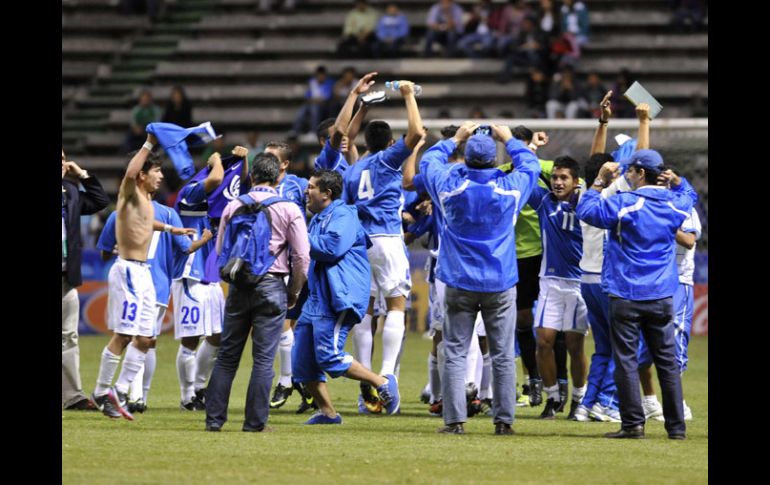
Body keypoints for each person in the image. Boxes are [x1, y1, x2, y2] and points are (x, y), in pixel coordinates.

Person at [418, 121, 541, 435]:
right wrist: (510, 139)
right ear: (494, 160)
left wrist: (454, 140)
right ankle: (504, 421)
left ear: (466, 156)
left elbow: (428, 162)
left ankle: (455, 421)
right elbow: (530, 164)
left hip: (458, 280)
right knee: (501, 354)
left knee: (455, 351)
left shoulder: (449, 186)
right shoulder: (509, 188)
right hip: (499, 281)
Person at [576, 141, 698, 440]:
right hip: (662, 295)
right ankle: (676, 428)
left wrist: (599, 182)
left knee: (627, 361)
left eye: (630, 171)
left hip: (627, 293)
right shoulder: (674, 204)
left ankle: (633, 425)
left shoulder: (625, 204)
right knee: (667, 363)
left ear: (641, 173)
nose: (627, 175)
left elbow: (586, 210)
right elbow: (689, 195)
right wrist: (678, 181)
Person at [90, 135, 195, 420]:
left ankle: (121, 390)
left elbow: (147, 222)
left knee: (147, 338)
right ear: (142, 175)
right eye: (156, 171)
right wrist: (149, 142)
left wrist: (172, 230)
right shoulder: (128, 192)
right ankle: (101, 392)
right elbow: (129, 173)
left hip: (144, 275)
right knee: (124, 335)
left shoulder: (148, 203)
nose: (161, 176)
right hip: (129, 271)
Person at [205, 152, 310, 432]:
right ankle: (254, 423)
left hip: (239, 285)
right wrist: (294, 291)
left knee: (227, 356)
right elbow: (301, 256)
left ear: (252, 177)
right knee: (263, 360)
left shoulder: (233, 206)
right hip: (272, 283)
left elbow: (219, 250)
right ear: (279, 177)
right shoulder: (289, 208)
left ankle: (214, 420)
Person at [338, 76, 423, 413]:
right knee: (397, 307)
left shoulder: (352, 172)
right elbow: (416, 135)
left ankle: (366, 386)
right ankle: (387, 375)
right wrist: (407, 96)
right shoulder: (389, 160)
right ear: (390, 143)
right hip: (388, 239)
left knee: (365, 314)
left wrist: (362, 105)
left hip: (361, 244)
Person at [292, 169, 401, 424]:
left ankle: (382, 382)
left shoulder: (344, 215)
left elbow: (331, 248)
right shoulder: (319, 217)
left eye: (311, 187)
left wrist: (296, 237)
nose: (306, 191)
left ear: (327, 194)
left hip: (338, 296)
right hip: (317, 297)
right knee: (302, 363)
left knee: (329, 356)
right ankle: (328, 413)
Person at [96, 189, 212, 413]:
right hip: (157, 284)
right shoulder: (168, 213)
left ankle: (133, 395)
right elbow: (185, 248)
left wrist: (118, 247)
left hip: (132, 278)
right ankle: (136, 395)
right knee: (145, 340)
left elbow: (103, 252)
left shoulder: (118, 212)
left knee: (134, 338)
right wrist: (204, 239)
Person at [172, 148, 250, 410]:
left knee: (217, 335)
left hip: (210, 274)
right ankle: (186, 398)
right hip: (190, 274)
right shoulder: (190, 192)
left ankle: (199, 388)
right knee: (191, 339)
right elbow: (217, 180)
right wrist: (216, 159)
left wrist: (243, 161)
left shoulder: (205, 203)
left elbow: (239, 185)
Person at [526, 156, 588, 419]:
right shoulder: (543, 202)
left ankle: (578, 398)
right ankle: (552, 398)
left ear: (576, 182)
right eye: (555, 177)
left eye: (564, 178)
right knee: (543, 342)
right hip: (549, 282)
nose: (558, 182)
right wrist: (530, 149)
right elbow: (526, 175)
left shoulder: (588, 203)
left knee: (575, 346)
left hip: (578, 284)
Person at [62, 150, 109, 410]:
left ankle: (72, 397)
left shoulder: (69, 191)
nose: (61, 163)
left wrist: (82, 175)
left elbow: (100, 200)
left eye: (62, 159)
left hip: (65, 276)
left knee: (69, 336)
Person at [292, 66, 335, 135]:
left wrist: (315, 101)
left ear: (325, 76)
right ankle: (295, 131)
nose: (320, 77)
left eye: (322, 75)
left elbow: (327, 98)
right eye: (319, 75)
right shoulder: (311, 82)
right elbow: (307, 97)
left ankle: (313, 131)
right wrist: (314, 101)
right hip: (311, 104)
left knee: (314, 108)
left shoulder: (329, 83)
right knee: (302, 111)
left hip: (324, 106)